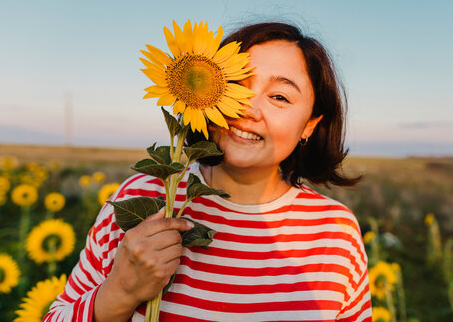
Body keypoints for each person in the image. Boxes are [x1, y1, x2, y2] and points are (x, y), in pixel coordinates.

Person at [45, 22, 372, 322]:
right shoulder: (144, 197)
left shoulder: (334, 234)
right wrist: (119, 293)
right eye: (235, 86)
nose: (246, 107)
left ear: (310, 125)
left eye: (279, 97)